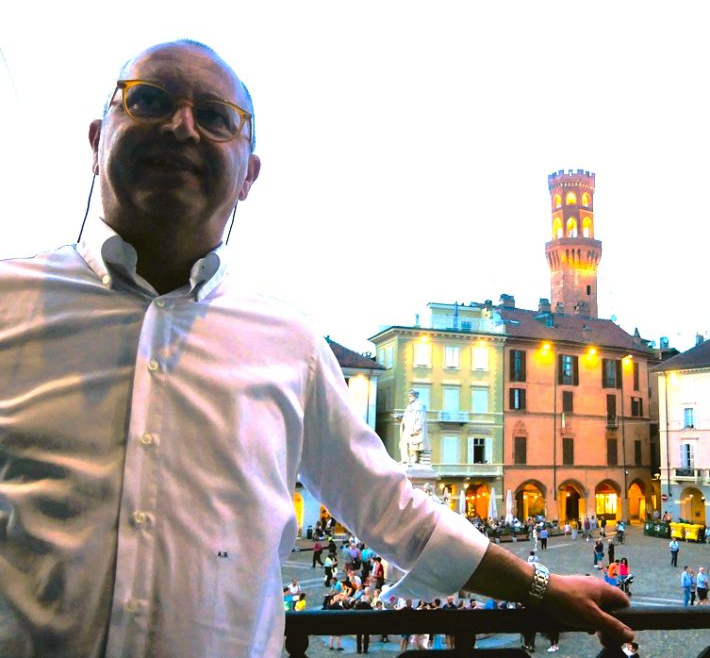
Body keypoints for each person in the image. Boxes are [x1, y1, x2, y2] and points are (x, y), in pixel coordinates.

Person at [0, 39, 634, 658]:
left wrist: (541, 587)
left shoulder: (290, 344)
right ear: (96, 141)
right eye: (149, 100)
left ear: (248, 176)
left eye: (216, 116)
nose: (181, 126)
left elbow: (389, 507)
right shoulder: (9, 303)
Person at [399, 389, 428, 464]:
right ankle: (405, 459)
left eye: (410, 395)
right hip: (407, 427)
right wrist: (400, 417)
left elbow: (421, 417)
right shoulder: (409, 406)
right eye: (409, 396)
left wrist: (417, 429)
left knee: (413, 445)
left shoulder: (420, 405)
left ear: (415, 396)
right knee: (403, 443)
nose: (409, 397)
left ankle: (413, 459)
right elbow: (406, 416)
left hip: (413, 428)